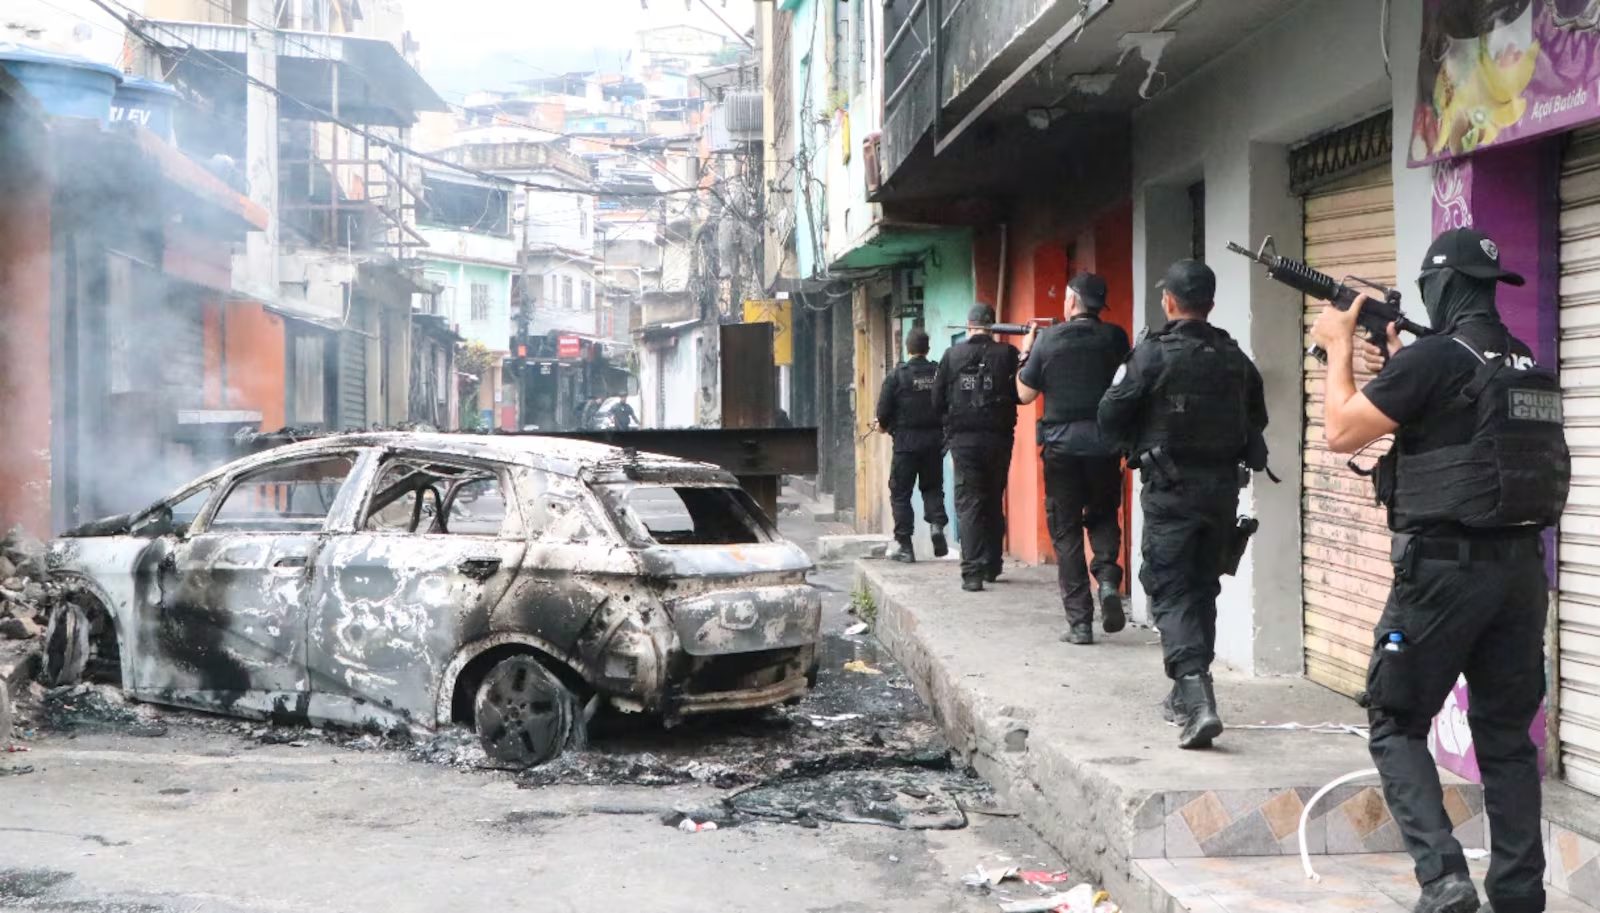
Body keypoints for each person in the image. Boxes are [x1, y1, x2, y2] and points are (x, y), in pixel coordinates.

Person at [1311, 228, 1567, 913]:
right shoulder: (1521, 360)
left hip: (1443, 574)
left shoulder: (1430, 361)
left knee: (1396, 721)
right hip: (1519, 573)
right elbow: (1462, 426)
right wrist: (1401, 359)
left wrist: (1336, 351)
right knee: (1508, 738)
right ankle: (1518, 895)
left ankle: (1445, 878)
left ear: (1437, 288)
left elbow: (1341, 431)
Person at [1099, 260, 1268, 750]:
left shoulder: (1152, 354)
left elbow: (1110, 413)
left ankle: (1196, 698)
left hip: (1171, 493)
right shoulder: (1235, 357)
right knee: (1202, 588)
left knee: (1170, 590)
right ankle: (1185, 694)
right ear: (1210, 304)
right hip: (1221, 493)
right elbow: (1257, 415)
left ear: (1169, 302)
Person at [1017, 273, 1131, 644]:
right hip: (1104, 445)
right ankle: (1109, 580)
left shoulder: (1047, 341)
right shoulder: (1115, 337)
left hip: (1061, 449)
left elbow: (1024, 395)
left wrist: (1025, 352)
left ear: (1069, 302)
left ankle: (1080, 624)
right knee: (1102, 516)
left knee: (1065, 532)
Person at [934, 304, 1021, 591]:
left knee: (969, 503)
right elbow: (1020, 393)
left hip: (964, 442)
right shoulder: (1008, 355)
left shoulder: (951, 355)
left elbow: (937, 401)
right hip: (998, 440)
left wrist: (950, 434)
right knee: (994, 499)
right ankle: (991, 565)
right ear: (992, 325)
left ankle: (972, 573)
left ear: (969, 326)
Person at [875, 328, 950, 562]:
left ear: (908, 349)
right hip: (934, 443)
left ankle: (906, 547)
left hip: (906, 445)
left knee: (900, 493)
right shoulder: (939, 373)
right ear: (927, 349)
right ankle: (937, 526)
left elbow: (883, 416)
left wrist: (882, 425)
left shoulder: (897, 376)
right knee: (932, 488)